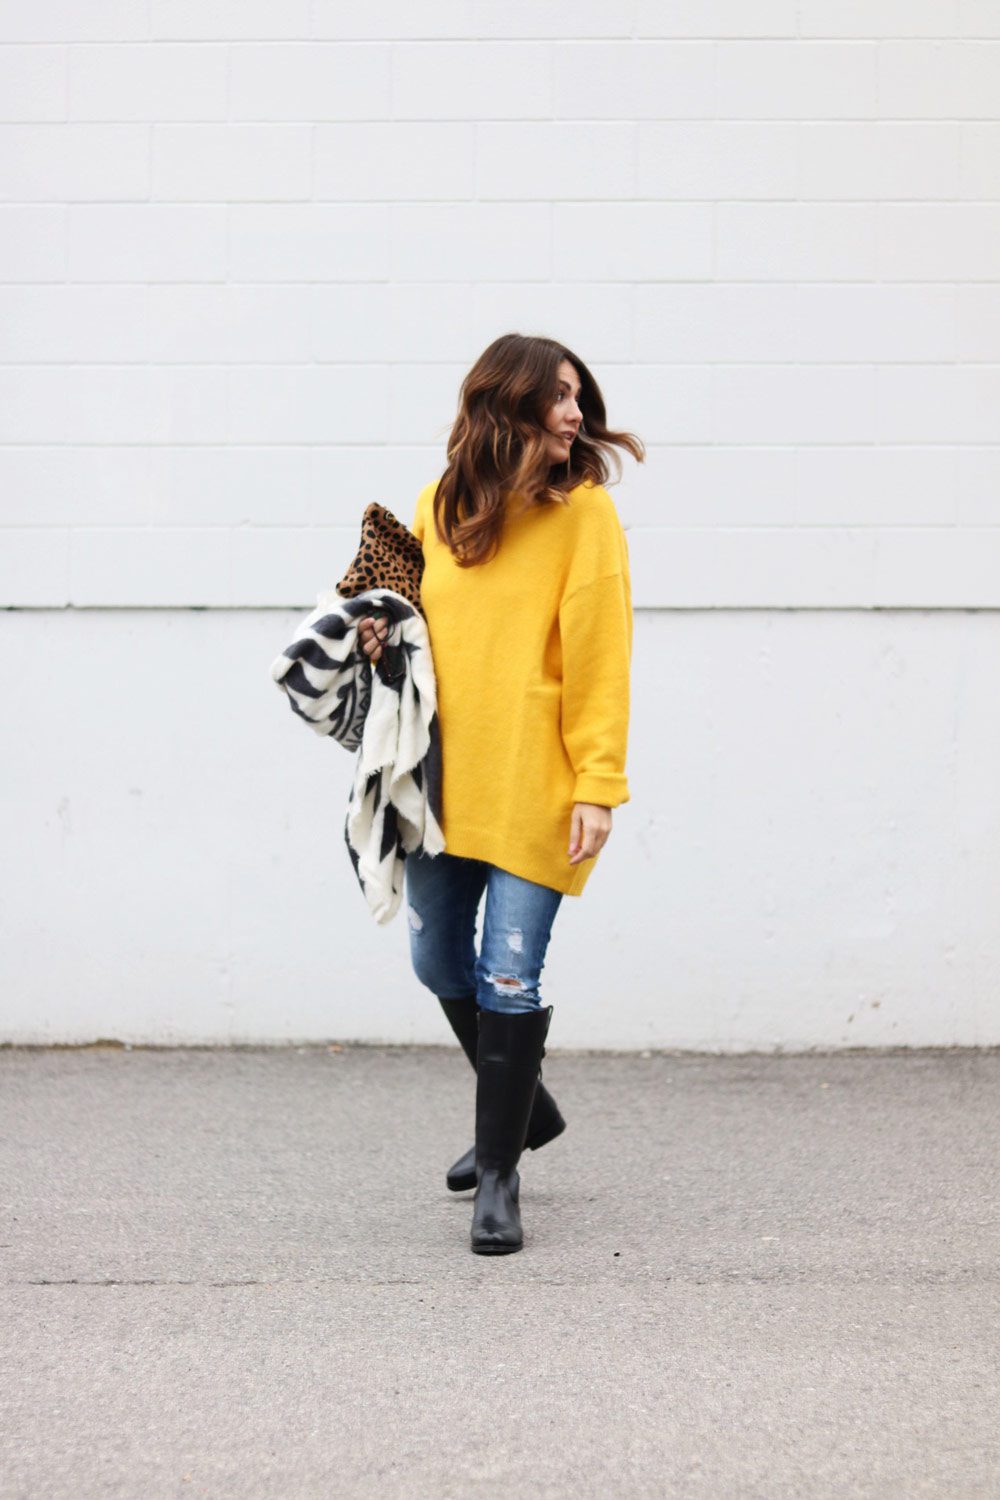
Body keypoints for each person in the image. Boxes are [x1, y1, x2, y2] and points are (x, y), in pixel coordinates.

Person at [357, 333, 643, 1255]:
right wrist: (376, 636)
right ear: (504, 407)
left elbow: (602, 658)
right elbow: (414, 631)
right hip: (442, 788)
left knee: (510, 974)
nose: (574, 413)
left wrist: (598, 785)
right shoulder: (438, 508)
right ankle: (526, 1109)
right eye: (555, 397)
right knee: (440, 964)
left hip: (537, 788)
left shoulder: (585, 513)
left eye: (577, 396)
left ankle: (499, 1175)